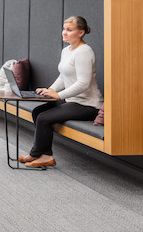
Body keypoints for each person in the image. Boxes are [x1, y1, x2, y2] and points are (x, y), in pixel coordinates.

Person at [19, 16, 104, 168]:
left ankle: (43, 156)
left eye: (69, 30)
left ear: (81, 32)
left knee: (44, 118)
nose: (64, 33)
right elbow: (63, 76)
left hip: (87, 105)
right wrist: (50, 90)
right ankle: (40, 154)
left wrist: (59, 95)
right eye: (64, 29)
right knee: (37, 112)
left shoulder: (84, 51)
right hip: (72, 101)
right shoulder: (67, 50)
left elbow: (83, 84)